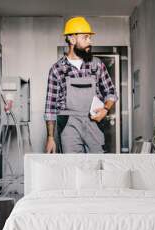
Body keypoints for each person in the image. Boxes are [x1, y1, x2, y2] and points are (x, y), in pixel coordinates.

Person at [44, 16, 118, 153]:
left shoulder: (97, 65)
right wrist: (50, 138)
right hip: (68, 124)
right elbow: (50, 107)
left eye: (90, 37)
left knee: (97, 166)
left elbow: (111, 93)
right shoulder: (57, 69)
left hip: (93, 123)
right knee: (72, 167)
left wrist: (105, 109)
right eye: (85, 37)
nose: (90, 41)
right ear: (72, 39)